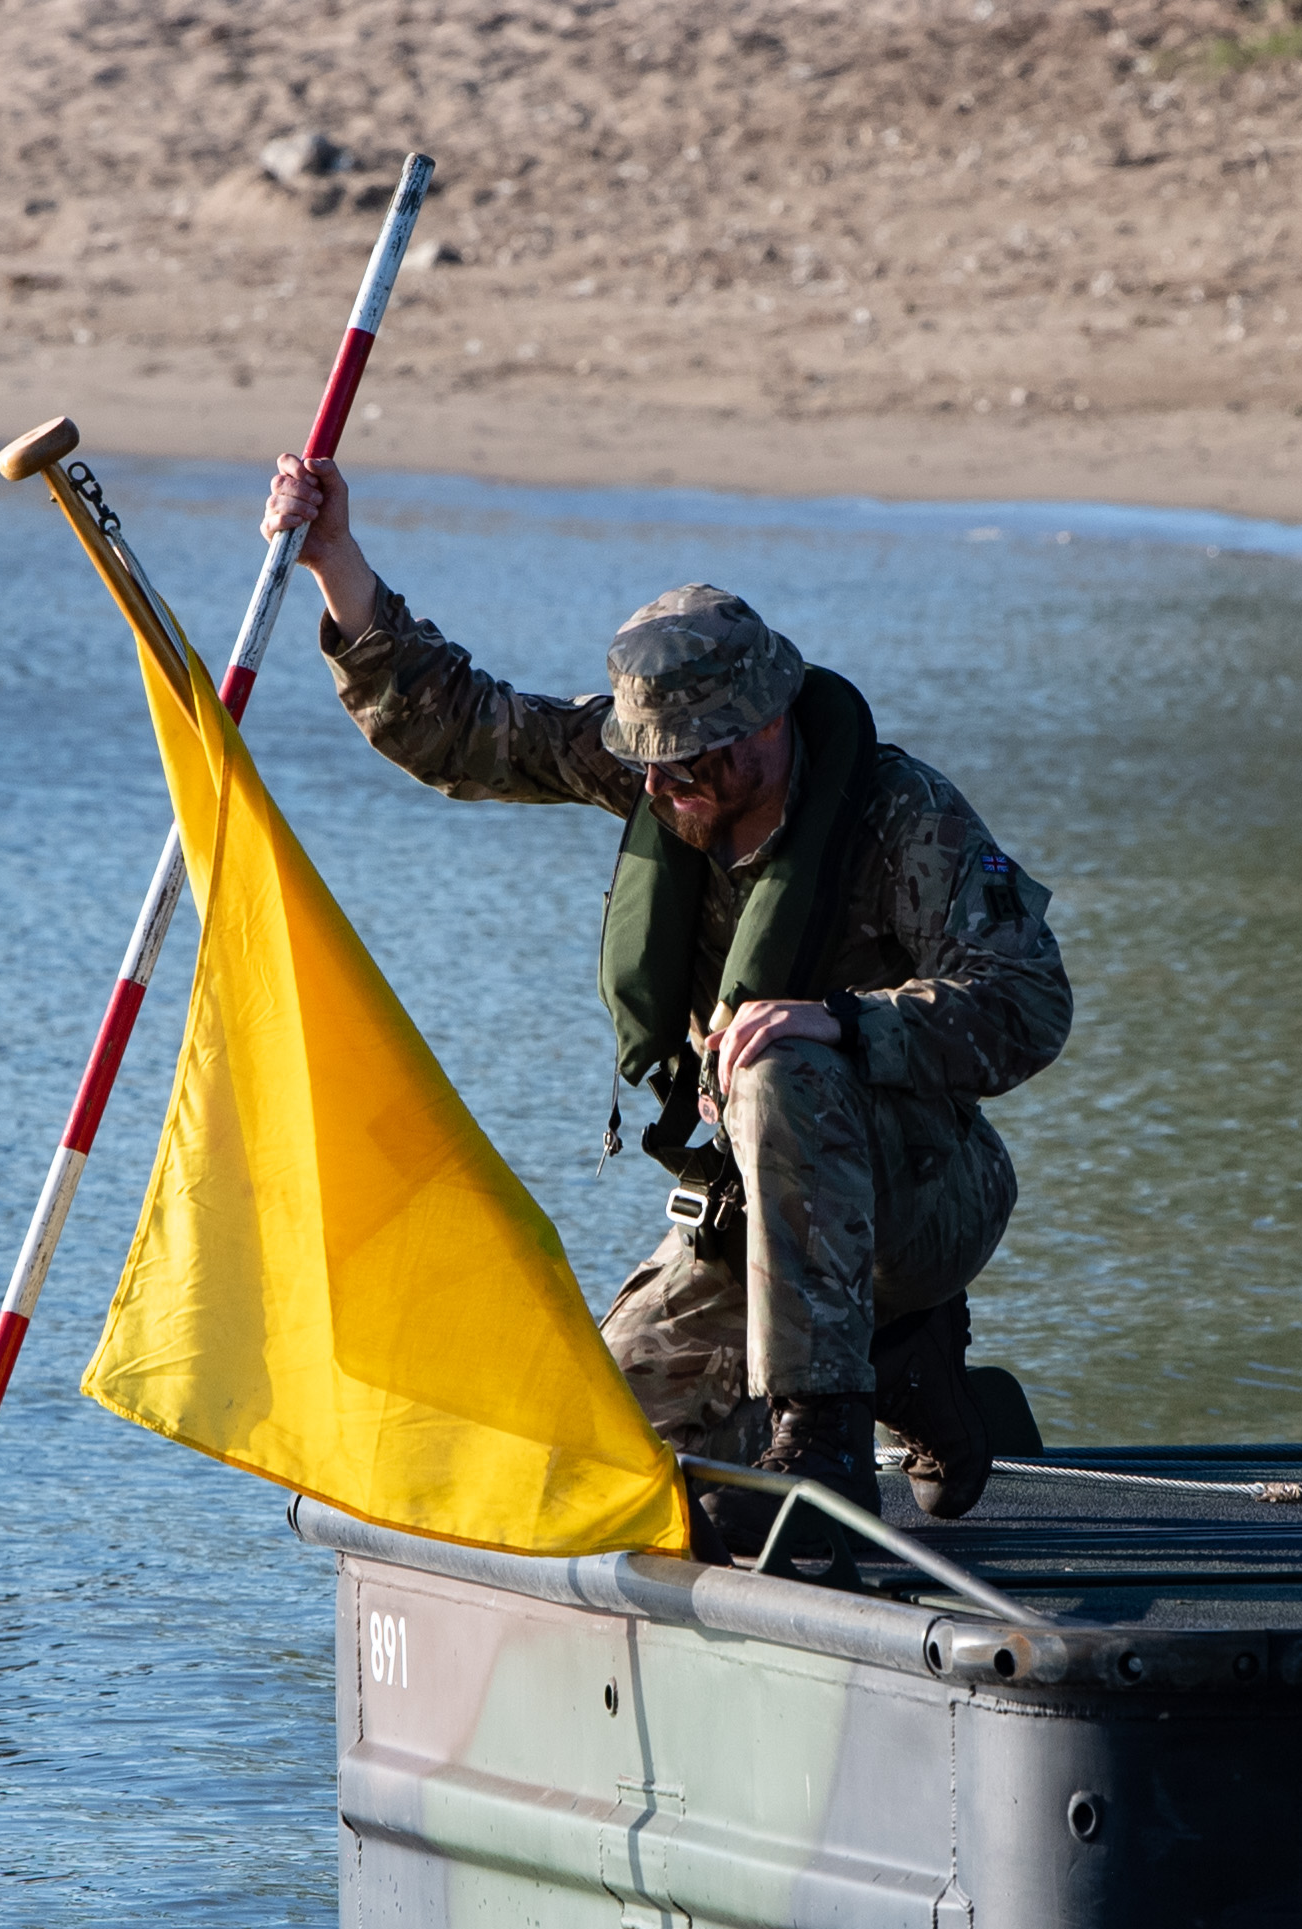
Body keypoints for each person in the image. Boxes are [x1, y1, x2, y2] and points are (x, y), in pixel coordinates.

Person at [256, 453, 1072, 1554]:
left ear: (765, 731)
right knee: (592, 1459)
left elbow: (1029, 1001)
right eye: (647, 765)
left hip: (924, 1195)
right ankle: (910, 1373)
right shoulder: (655, 771)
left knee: (787, 1065)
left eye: (688, 766)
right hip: (759, 1220)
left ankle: (823, 1454)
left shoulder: (903, 818)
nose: (658, 788)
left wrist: (849, 1020)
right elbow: (463, 725)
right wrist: (333, 559)